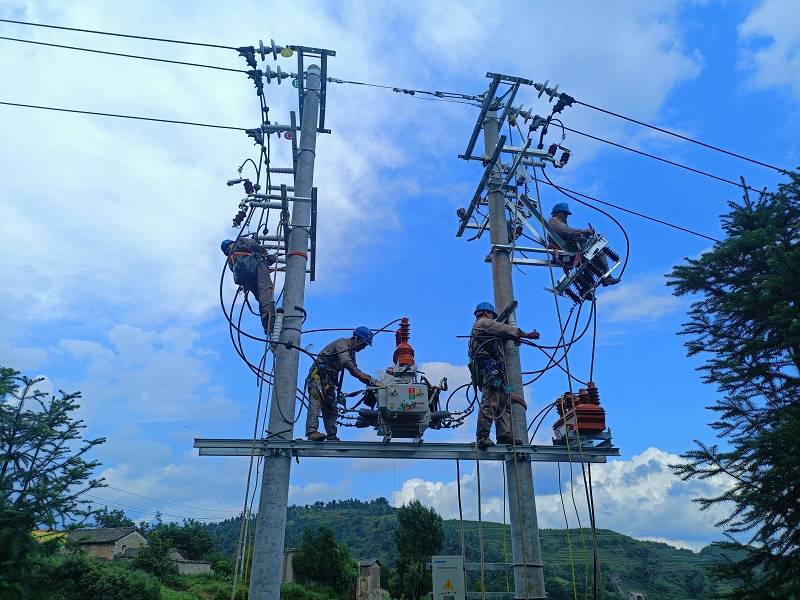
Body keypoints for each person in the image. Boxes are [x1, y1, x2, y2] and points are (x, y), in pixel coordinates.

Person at [469, 302, 540, 449]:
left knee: (503, 402)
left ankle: (503, 435)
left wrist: (513, 338)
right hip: (490, 371)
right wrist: (524, 334)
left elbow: (500, 334)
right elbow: (502, 328)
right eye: (492, 316)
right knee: (490, 402)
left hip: (494, 371)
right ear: (487, 314)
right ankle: (482, 437)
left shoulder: (485, 330)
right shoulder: (483, 323)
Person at [306, 327, 376, 442]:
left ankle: (331, 435)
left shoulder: (351, 352)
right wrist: (360, 375)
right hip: (318, 377)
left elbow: (354, 368)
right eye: (363, 344)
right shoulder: (342, 343)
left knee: (331, 407)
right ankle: (312, 432)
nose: (363, 348)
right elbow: (346, 362)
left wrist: (367, 378)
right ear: (356, 339)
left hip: (329, 381)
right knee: (316, 403)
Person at [548, 202, 621, 286]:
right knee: (598, 253)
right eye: (564, 213)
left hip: (570, 253)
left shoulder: (561, 223)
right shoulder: (553, 220)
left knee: (588, 263)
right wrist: (583, 231)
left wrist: (584, 237)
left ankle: (587, 287)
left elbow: (570, 236)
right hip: (565, 254)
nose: (566, 216)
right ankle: (606, 278)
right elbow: (566, 232)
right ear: (557, 213)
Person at [221, 238, 276, 335]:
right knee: (266, 288)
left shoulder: (230, 260)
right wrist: (267, 256)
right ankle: (268, 315)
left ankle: (266, 323)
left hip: (246, 278)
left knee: (260, 296)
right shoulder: (240, 241)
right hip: (257, 266)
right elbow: (255, 246)